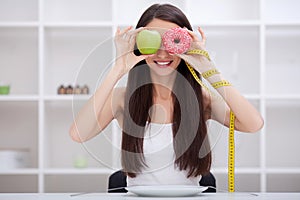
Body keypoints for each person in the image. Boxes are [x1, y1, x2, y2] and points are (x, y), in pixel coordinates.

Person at [69, 3, 264, 187]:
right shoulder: (123, 98)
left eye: (172, 41)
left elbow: (253, 124)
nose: (163, 53)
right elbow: (79, 133)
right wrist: (118, 68)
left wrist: (208, 68)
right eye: (153, 41)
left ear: (185, 45)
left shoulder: (201, 99)